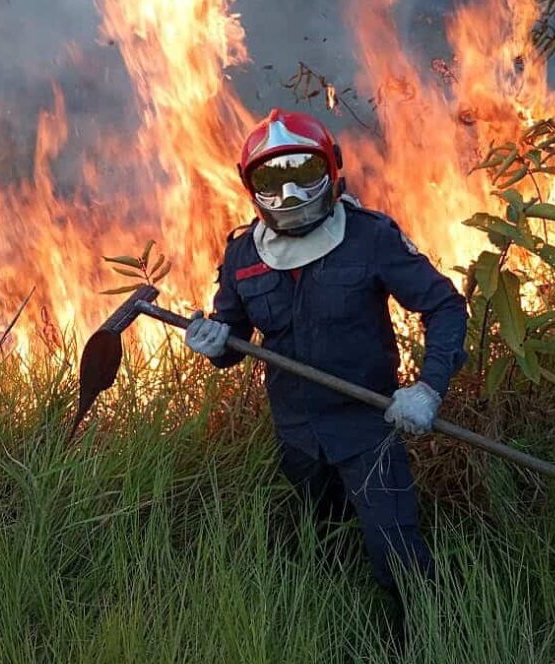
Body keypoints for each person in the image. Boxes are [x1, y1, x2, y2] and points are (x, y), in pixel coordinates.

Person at [184, 108, 467, 625]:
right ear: (251, 187)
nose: (290, 195)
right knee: (327, 541)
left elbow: (444, 306)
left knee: (398, 554)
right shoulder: (244, 254)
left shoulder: (370, 238)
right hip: (297, 437)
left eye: (303, 175)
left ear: (331, 170)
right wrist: (213, 343)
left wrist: (428, 389)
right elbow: (233, 342)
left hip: (366, 430)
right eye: (274, 179)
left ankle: (434, 652)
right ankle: (340, 637)